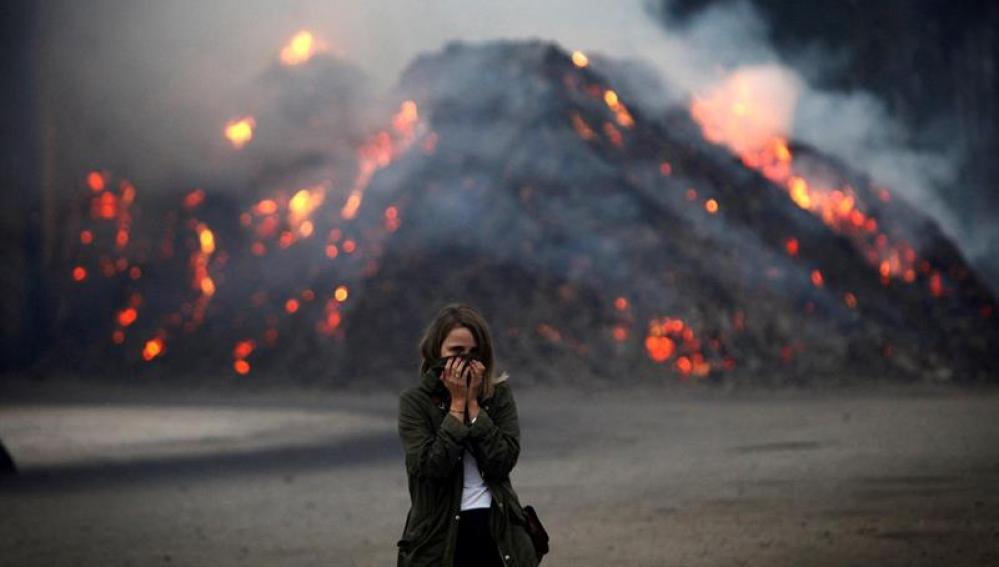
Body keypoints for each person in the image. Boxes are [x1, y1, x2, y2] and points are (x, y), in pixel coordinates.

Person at [397, 303, 539, 567]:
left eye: (474, 353)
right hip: (439, 537)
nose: (465, 360)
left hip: (498, 531)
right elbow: (430, 467)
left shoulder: (498, 396)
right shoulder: (415, 403)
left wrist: (474, 408)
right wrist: (456, 406)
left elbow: (503, 460)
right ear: (436, 350)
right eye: (456, 351)